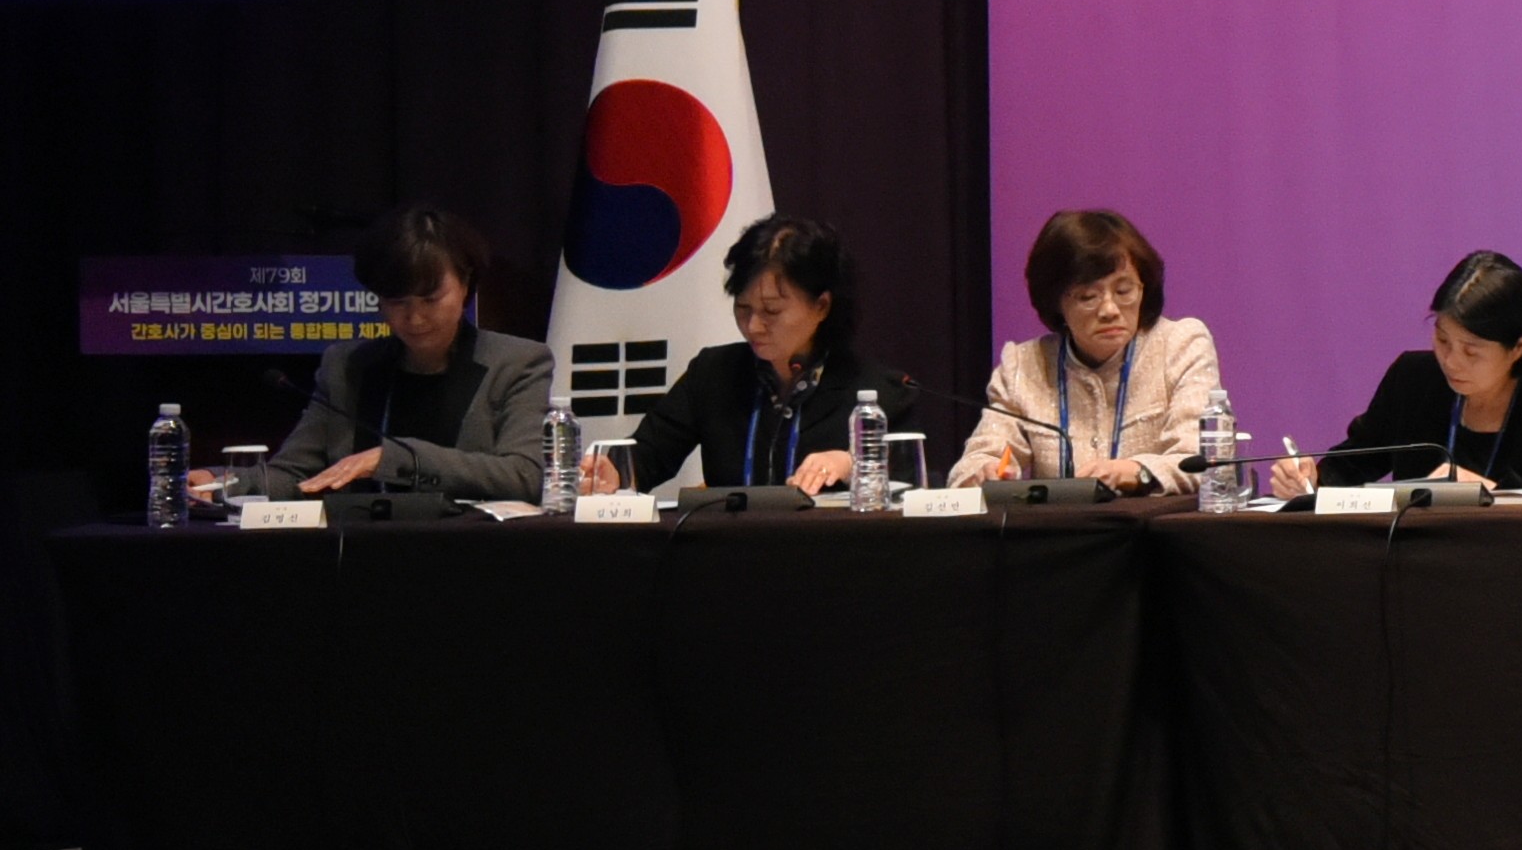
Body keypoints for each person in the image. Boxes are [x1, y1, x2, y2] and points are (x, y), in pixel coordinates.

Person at [209, 206, 552, 503]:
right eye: (396, 302)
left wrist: (397, 459)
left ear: (465, 285)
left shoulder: (517, 363)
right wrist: (219, 483)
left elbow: (526, 475)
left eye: (430, 299)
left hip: (470, 548)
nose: (414, 318)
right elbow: (296, 474)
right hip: (359, 548)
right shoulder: (347, 366)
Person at [586, 214, 908, 498]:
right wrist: (614, 472)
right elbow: (649, 453)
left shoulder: (880, 391)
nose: (753, 326)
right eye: (743, 308)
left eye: (771, 311)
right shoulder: (713, 373)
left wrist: (853, 464)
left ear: (821, 306)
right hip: (728, 546)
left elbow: (912, 483)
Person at [949, 209, 1229, 492]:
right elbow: (974, 463)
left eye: (1123, 291)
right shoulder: (1024, 365)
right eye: (1088, 297)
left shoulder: (1179, 345)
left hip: (1155, 520)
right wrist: (983, 472)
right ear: (1056, 301)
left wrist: (1138, 471)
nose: (1109, 310)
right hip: (1065, 522)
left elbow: (1206, 461)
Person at [1290, 250, 1522, 494]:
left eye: (1471, 351)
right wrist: (1309, 479)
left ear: (1518, 347)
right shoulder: (1412, 380)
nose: (1451, 361)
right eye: (1442, 340)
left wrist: (1493, 495)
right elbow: (1351, 466)